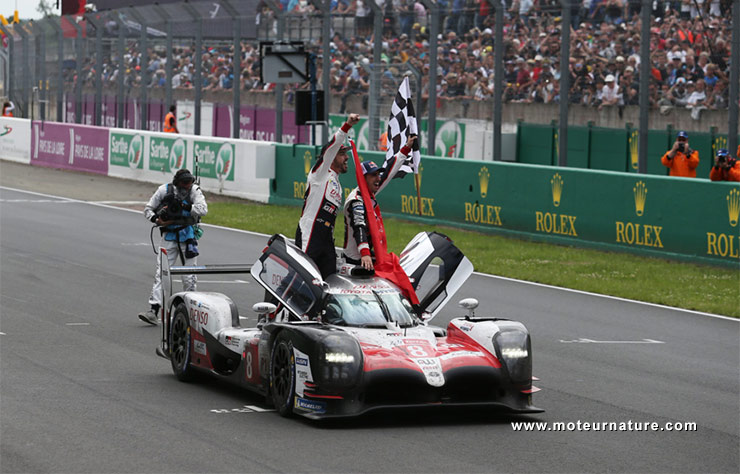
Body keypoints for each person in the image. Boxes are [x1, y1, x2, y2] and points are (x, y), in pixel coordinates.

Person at [138, 169, 207, 325]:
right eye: (184, 183)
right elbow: (147, 209)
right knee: (161, 272)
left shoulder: (194, 190)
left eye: (189, 183)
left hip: (188, 237)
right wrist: (157, 219)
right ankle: (154, 310)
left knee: (189, 276)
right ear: (177, 182)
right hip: (168, 236)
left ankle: (190, 311)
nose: (187, 186)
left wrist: (186, 205)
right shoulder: (164, 190)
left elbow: (203, 209)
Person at [295, 113, 360, 278]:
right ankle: (276, 304)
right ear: (331, 158)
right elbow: (330, 148)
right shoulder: (320, 174)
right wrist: (346, 126)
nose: (346, 158)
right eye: (342, 154)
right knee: (301, 277)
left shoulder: (337, 183)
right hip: (311, 231)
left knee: (330, 280)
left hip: (327, 238)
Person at [343, 135, 416, 270]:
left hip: (365, 255)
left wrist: (406, 149)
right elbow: (359, 226)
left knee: (393, 265)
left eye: (378, 174)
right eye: (373, 175)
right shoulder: (356, 200)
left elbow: (388, 172)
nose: (378, 178)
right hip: (354, 259)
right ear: (363, 178)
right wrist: (365, 254)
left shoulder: (368, 193)